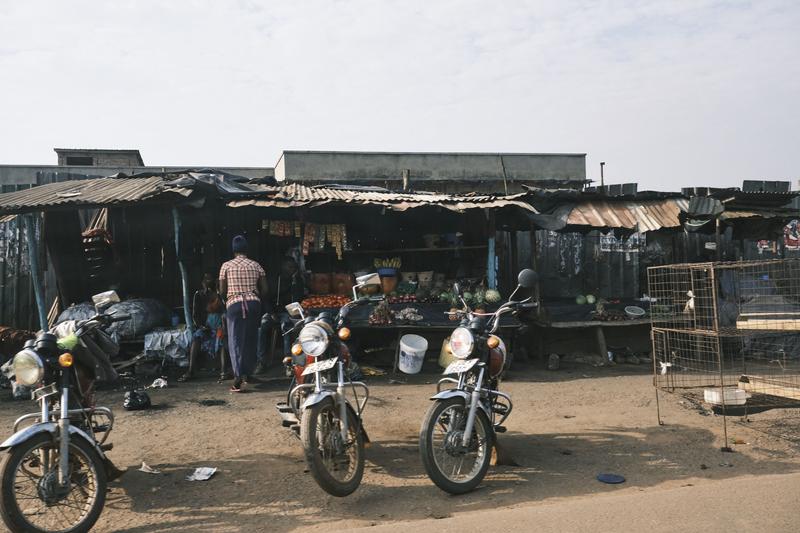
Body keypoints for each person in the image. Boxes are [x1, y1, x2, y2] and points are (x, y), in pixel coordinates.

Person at [219, 235, 267, 392]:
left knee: (235, 341)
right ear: (246, 249)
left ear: (233, 250)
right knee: (251, 338)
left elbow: (222, 290)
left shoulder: (226, 266)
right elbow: (265, 289)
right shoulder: (256, 265)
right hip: (253, 303)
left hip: (234, 304)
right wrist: (254, 294)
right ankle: (248, 373)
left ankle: (238, 376)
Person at [255, 256, 306, 374]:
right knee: (261, 327)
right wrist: (271, 313)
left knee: (286, 327)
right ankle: (261, 361)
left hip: (287, 313)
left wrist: (295, 281)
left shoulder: (297, 280)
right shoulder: (274, 280)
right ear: (283, 267)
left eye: (293, 267)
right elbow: (266, 298)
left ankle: (288, 362)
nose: (291, 269)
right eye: (289, 267)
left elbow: (299, 298)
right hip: (273, 312)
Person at [178, 274, 227, 382]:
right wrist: (201, 326)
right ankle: (190, 371)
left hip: (219, 326)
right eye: (206, 279)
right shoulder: (199, 295)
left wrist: (218, 291)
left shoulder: (220, 294)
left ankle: (224, 372)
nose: (208, 281)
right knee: (196, 338)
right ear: (202, 282)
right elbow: (195, 315)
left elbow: (224, 310)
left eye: (210, 279)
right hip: (206, 326)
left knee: (222, 340)